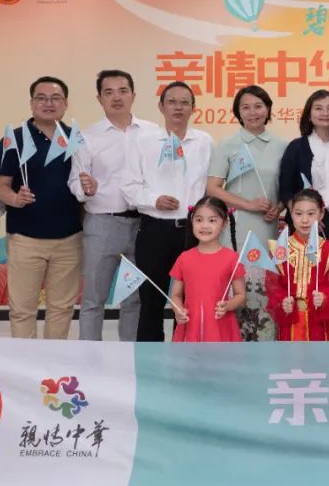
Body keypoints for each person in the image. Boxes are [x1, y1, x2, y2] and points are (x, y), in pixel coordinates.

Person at [121, 81, 214, 342]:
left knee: (191, 300)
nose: (178, 107)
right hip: (155, 229)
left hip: (194, 232)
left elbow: (213, 185)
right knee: (151, 299)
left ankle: (186, 354)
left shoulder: (204, 141)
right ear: (161, 107)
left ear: (193, 108)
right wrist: (155, 200)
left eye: (185, 102)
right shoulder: (143, 141)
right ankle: (151, 360)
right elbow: (128, 186)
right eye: (172, 102)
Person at [69, 69, 158, 341]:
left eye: (123, 91)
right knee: (93, 299)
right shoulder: (87, 137)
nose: (116, 97)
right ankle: (90, 358)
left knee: (135, 299)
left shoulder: (153, 132)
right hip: (102, 224)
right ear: (99, 98)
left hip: (144, 224)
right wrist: (86, 189)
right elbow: (74, 180)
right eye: (109, 92)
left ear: (134, 95)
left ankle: (128, 358)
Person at [0, 76, 82, 339]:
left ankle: (52, 360)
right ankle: (26, 362)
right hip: (25, 238)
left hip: (69, 239)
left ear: (65, 103)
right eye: (41, 98)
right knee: (22, 310)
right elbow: (0, 186)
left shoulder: (76, 139)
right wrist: (15, 198)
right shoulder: (14, 139)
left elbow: (85, 184)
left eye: (55, 98)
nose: (48, 103)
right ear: (32, 103)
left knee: (62, 309)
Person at [206, 85, 286, 341]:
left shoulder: (282, 145)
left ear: (268, 109)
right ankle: (232, 348)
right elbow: (213, 188)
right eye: (246, 107)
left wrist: (279, 207)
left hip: (269, 230)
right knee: (236, 292)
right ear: (238, 112)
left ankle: (265, 349)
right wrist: (248, 204)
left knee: (266, 294)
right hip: (236, 231)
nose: (253, 112)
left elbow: (286, 189)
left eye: (258, 106)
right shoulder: (228, 145)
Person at [278, 90, 329, 266]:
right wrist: (305, 218)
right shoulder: (296, 147)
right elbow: (286, 189)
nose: (325, 113)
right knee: (304, 274)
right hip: (304, 223)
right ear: (309, 115)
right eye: (318, 108)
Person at [265, 189, 329, 341]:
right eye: (299, 213)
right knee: (290, 355)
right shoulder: (280, 249)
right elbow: (273, 286)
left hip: (319, 322)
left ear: (321, 214)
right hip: (291, 321)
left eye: (311, 214)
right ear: (291, 213)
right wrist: (282, 302)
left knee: (319, 355)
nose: (304, 220)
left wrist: (324, 298)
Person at [168, 196, 245, 342]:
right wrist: (178, 310)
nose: (204, 226)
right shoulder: (184, 258)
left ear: (224, 223)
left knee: (220, 357)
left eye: (212, 221)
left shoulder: (232, 258)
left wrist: (228, 305)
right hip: (191, 325)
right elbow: (176, 295)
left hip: (220, 325)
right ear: (192, 221)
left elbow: (241, 295)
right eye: (199, 220)